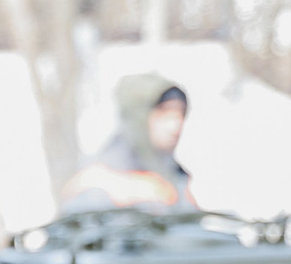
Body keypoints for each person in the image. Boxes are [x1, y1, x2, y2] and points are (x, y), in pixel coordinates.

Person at [58, 75, 192, 212]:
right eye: (163, 112)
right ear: (139, 116)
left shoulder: (178, 178)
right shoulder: (99, 184)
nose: (175, 125)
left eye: (180, 113)